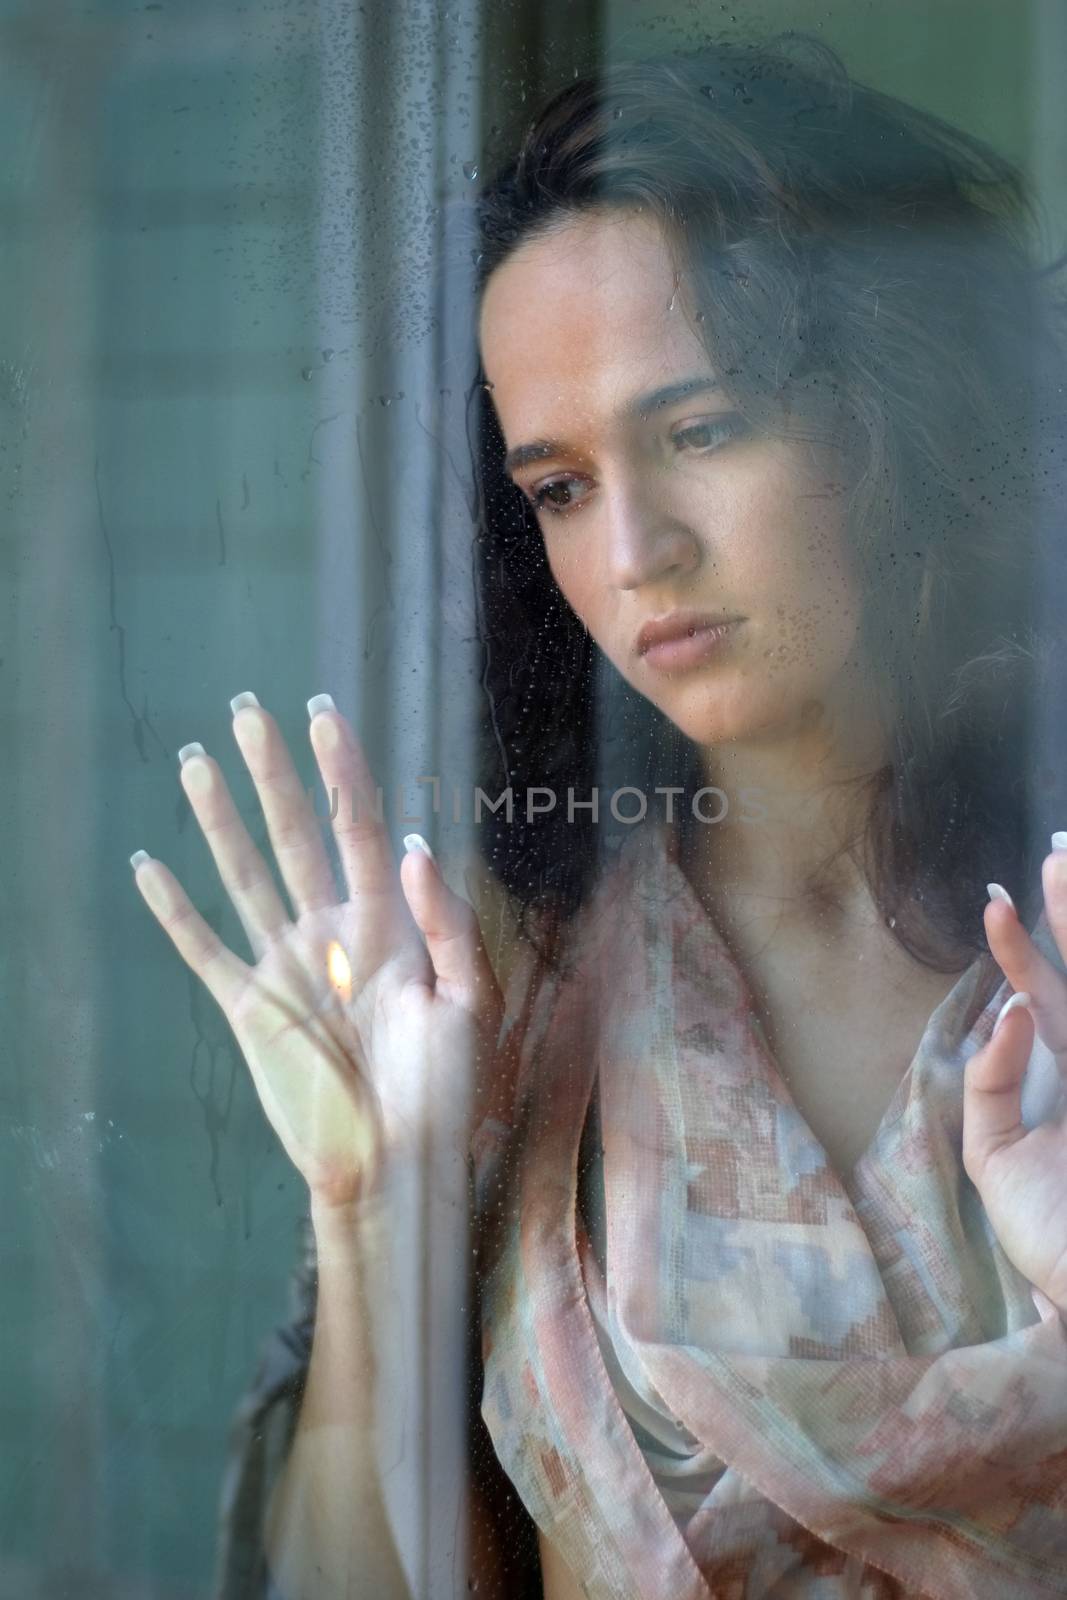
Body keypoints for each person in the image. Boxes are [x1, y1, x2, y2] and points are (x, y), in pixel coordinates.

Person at [130, 33, 1067, 1600]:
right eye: (559, 486)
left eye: (701, 432)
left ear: (888, 411)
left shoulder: (1049, 933)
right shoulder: (508, 979)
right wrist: (374, 1220)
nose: (635, 550)